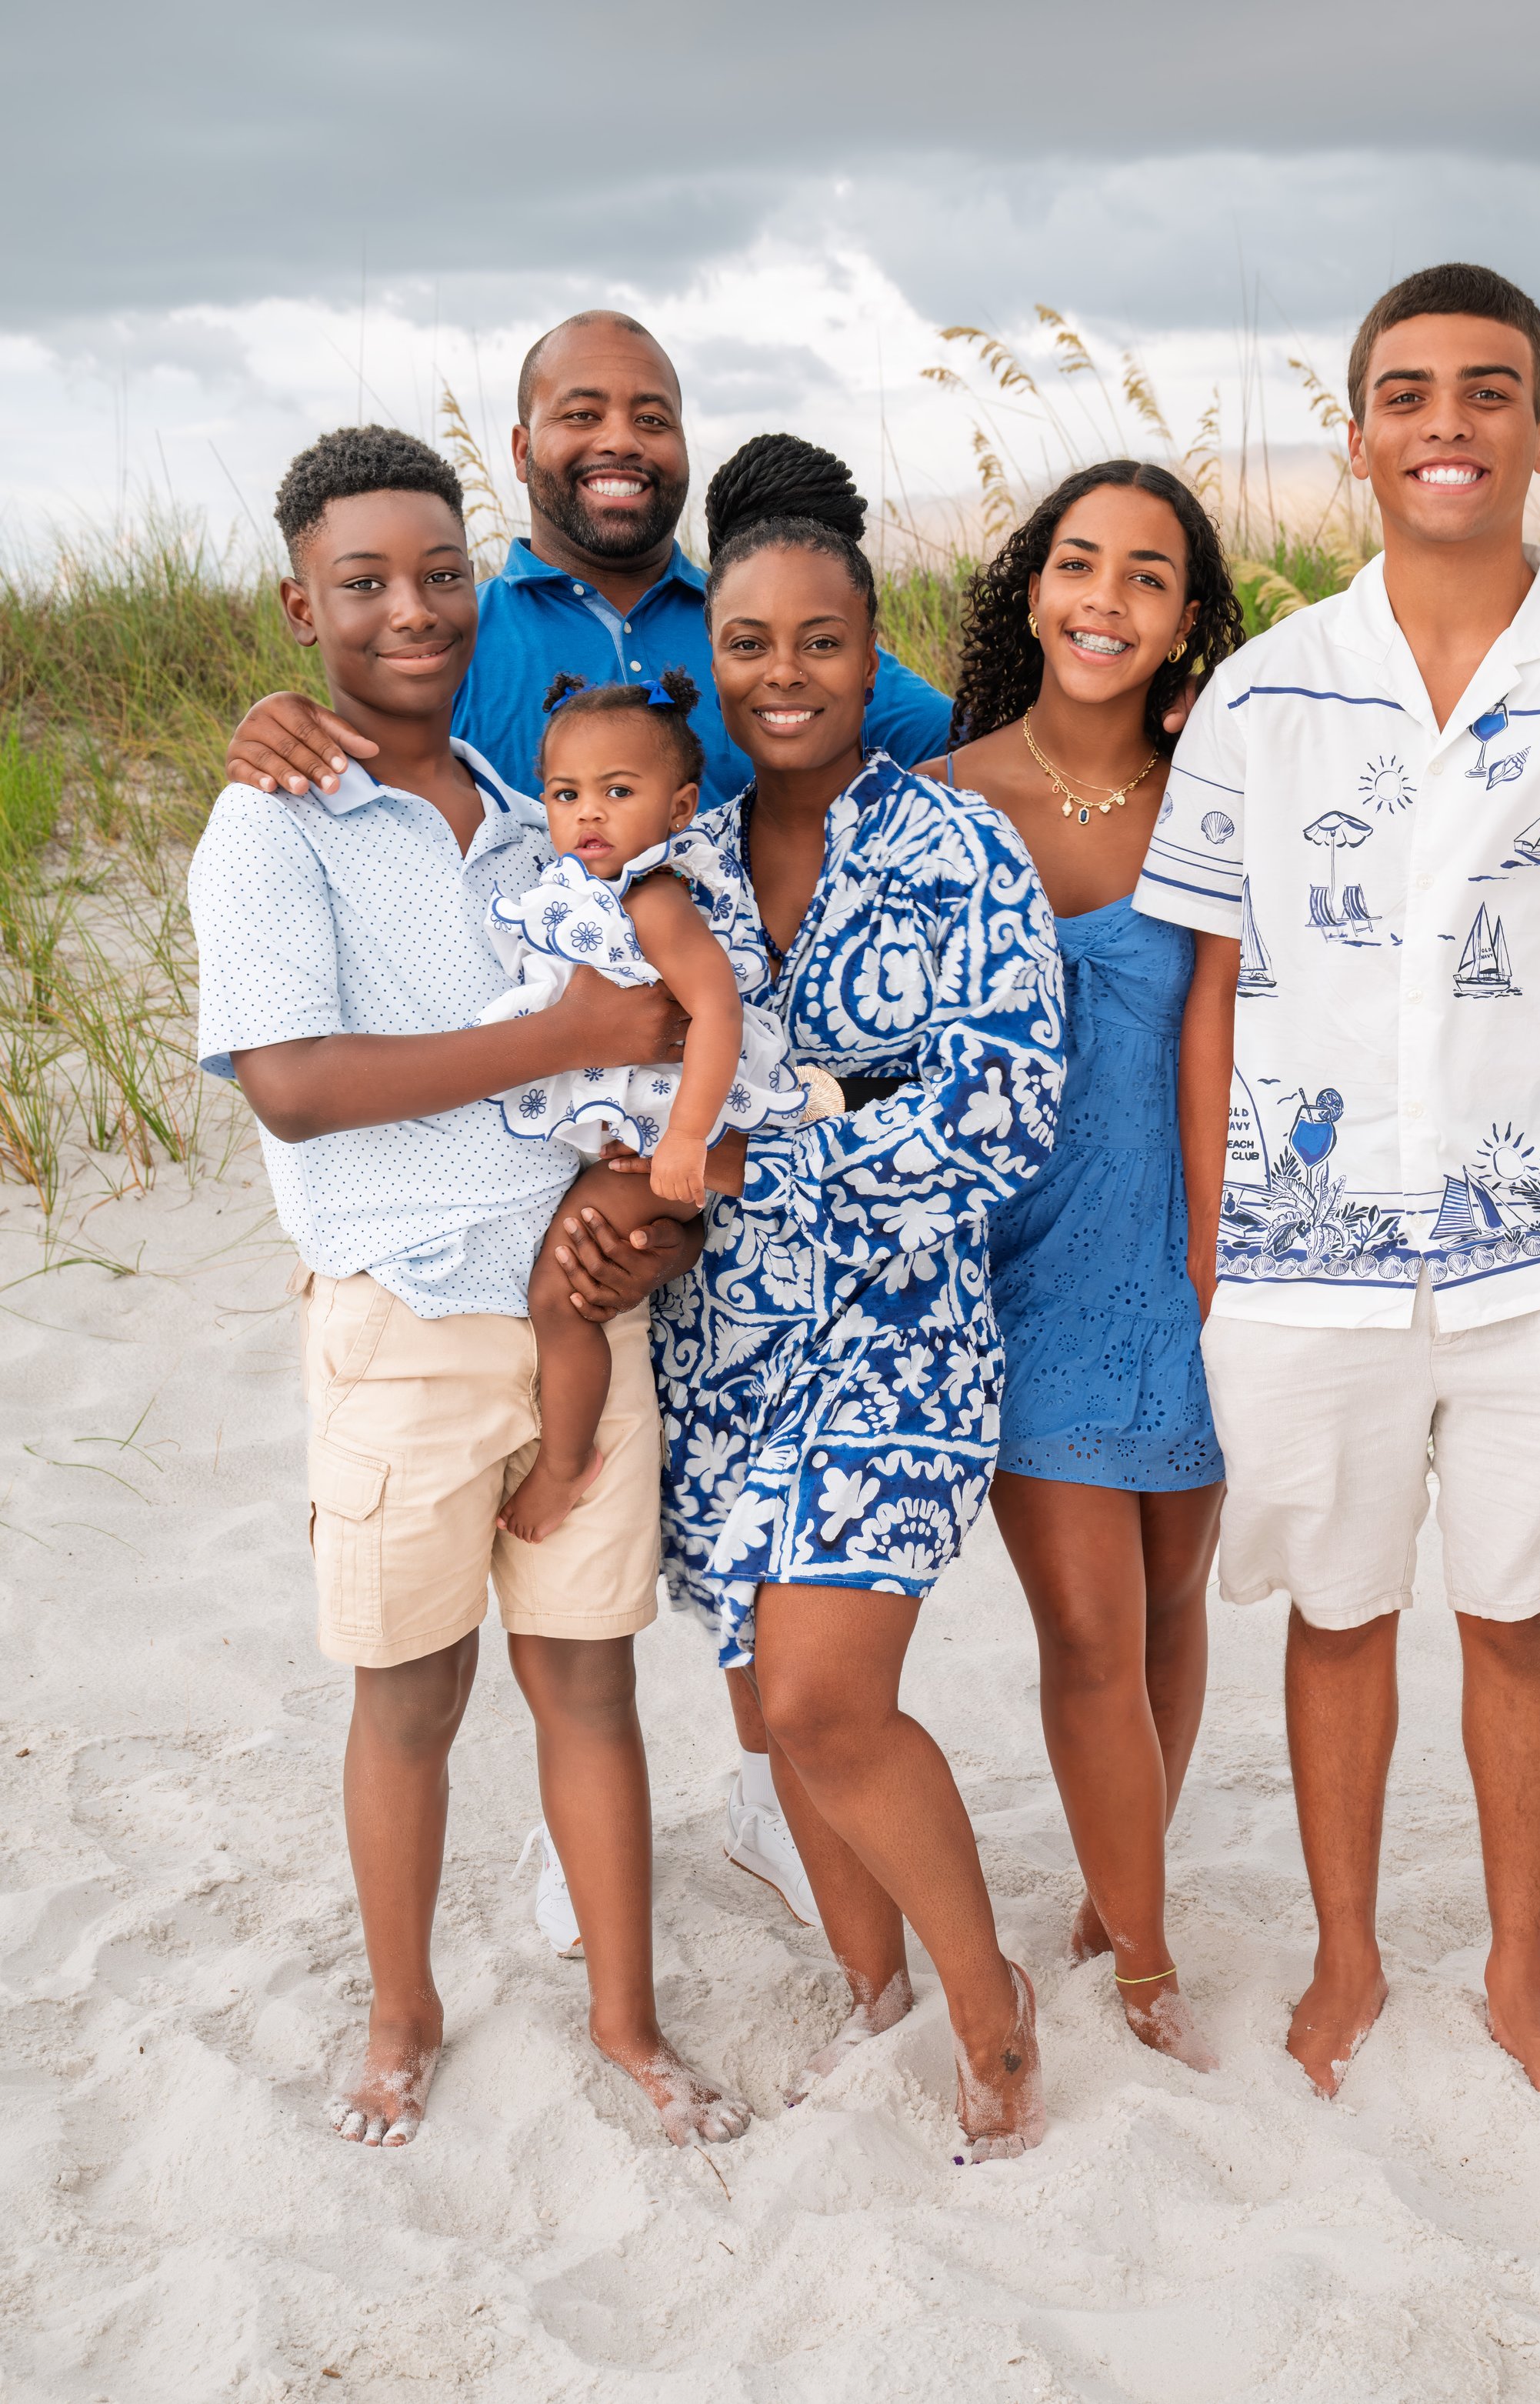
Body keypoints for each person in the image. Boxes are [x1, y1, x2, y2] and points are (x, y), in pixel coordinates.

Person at [1138, 262, 1540, 2115]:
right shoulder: (1262, 689)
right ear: (1359, 436)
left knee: (1516, 1607)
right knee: (1334, 1606)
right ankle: (1345, 1951)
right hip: (1302, 1263)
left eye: (1486, 391)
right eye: (1408, 391)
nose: (1446, 421)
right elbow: (1211, 991)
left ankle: (1523, 1973)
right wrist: (1219, 1248)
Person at [188, 425, 747, 2151]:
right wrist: (568, 1035)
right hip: (405, 1318)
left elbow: (627, 1068)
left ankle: (626, 2019)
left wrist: (617, 1184)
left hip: (571, 1304)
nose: (412, 611)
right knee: (410, 1689)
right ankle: (402, 2009)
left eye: (441, 574)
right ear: (303, 603)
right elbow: (288, 1079)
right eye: (365, 583)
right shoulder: (273, 824)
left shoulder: (529, 819)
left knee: (588, 1677)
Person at [636, 461, 1066, 2158]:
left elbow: (1008, 1104)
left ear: (868, 646)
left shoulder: (957, 844)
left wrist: (769, 1152)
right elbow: (613, 1088)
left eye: (821, 638)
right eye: (749, 641)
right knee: (766, 1699)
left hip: (899, 1332)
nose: (786, 670)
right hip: (723, 1346)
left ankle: (989, 2012)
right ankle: (872, 1990)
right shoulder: (664, 868)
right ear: (713, 658)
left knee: (822, 1692)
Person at [917, 461, 1242, 2069]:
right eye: (1076, 564)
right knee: (1086, 1633)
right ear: (1030, 589)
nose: (1103, 599)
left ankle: (1123, 1881)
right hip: (1017, 1275)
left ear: (1187, 620)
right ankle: (1149, 1957)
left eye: (1145, 576)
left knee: (1173, 1600)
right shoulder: (936, 791)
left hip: (1196, 1258)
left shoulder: (1223, 800)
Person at [219, 315, 952, 812]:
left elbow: (974, 746)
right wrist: (279, 722)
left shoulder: (763, 631)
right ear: (519, 451)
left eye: (653, 419)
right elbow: (362, 770)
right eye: (581, 414)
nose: (622, 441)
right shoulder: (450, 642)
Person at [481, 668, 805, 1542]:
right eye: (565, 793)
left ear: (678, 806)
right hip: (640, 1122)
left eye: (617, 792)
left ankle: (564, 1463)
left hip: (673, 1130)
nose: (588, 814)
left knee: (562, 1292)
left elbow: (718, 1007)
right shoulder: (580, 888)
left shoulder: (654, 894)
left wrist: (690, 1140)